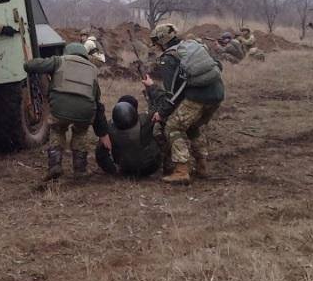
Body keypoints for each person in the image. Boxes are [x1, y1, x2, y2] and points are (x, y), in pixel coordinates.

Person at [142, 23, 225, 185]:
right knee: (193, 126)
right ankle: (202, 166)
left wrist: (162, 113)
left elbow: (172, 94)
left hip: (198, 97)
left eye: (156, 43)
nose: (155, 46)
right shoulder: (193, 46)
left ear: (162, 41)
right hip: (217, 94)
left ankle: (181, 170)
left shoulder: (169, 58)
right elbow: (218, 65)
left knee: (173, 127)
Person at [24, 42, 101, 180]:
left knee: (57, 130)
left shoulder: (59, 61)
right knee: (81, 133)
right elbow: (96, 97)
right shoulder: (93, 69)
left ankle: (55, 165)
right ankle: (80, 169)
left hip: (60, 108)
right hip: (85, 110)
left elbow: (32, 66)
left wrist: (27, 64)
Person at [93, 95, 162, 178]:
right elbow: (160, 106)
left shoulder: (108, 128)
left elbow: (101, 154)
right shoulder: (144, 122)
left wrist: (113, 170)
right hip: (150, 168)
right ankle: (169, 166)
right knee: (160, 131)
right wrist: (150, 88)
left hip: (124, 170)